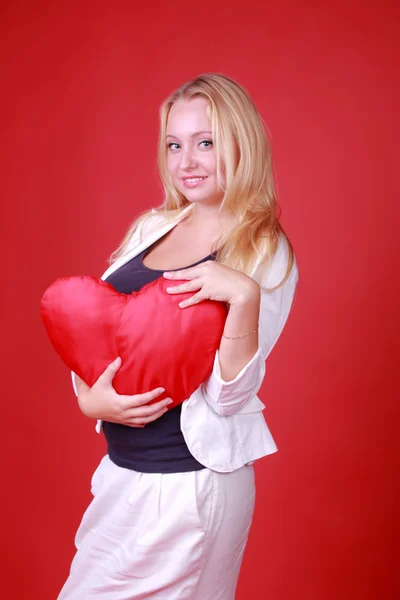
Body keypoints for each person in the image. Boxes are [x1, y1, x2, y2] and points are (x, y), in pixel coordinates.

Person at [57, 72, 299, 599]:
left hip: (190, 486)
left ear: (241, 144)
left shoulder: (263, 248)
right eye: (174, 144)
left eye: (205, 143)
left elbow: (231, 396)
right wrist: (89, 400)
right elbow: (100, 330)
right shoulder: (152, 227)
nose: (186, 161)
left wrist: (244, 297)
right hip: (121, 476)